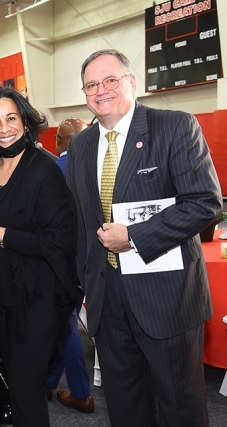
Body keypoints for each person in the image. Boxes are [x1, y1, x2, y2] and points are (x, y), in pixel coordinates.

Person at [66, 49, 221, 427]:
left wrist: (134, 236)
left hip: (166, 297)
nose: (101, 90)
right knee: (125, 408)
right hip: (106, 300)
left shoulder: (175, 126)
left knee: (180, 408)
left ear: (132, 82)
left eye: (110, 80)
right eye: (91, 85)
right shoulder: (80, 146)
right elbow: (80, 222)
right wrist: (82, 281)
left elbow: (204, 203)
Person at [0, 86, 78, 427]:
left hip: (37, 299)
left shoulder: (44, 170)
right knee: (20, 388)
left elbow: (59, 242)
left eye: (10, 118)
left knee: (25, 389)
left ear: (25, 120)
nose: (3, 128)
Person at [46, 117, 94, 413]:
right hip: (89, 263)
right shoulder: (97, 169)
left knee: (65, 328)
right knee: (65, 324)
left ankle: (81, 392)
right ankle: (49, 382)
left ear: (58, 140)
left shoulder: (52, 171)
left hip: (60, 264)